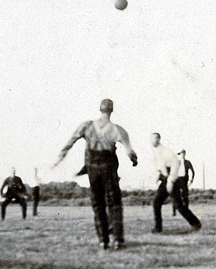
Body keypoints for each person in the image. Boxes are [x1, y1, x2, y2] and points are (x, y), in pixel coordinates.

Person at [54, 99, 138, 250]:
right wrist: (134, 160)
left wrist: (60, 157)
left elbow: (70, 141)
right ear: (111, 110)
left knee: (97, 203)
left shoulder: (86, 126)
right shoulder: (117, 129)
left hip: (92, 168)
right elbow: (130, 151)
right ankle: (118, 240)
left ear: (100, 109)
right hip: (109, 166)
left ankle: (103, 240)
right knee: (114, 202)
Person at [151, 133, 201, 233]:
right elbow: (160, 167)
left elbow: (175, 164)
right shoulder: (156, 152)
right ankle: (158, 228)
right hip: (165, 179)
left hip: (172, 179)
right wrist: (157, 178)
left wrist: (170, 181)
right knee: (156, 202)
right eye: (151, 139)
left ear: (159, 139)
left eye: (154, 138)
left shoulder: (166, 151)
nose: (152, 141)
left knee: (179, 205)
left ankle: (196, 223)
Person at [172, 149, 195, 216]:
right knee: (175, 195)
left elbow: (192, 171)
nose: (181, 155)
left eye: (182, 154)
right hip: (177, 179)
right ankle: (174, 211)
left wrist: (191, 180)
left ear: (184, 154)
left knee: (185, 196)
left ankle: (186, 211)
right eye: (180, 154)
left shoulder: (187, 162)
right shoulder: (177, 162)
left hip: (184, 180)